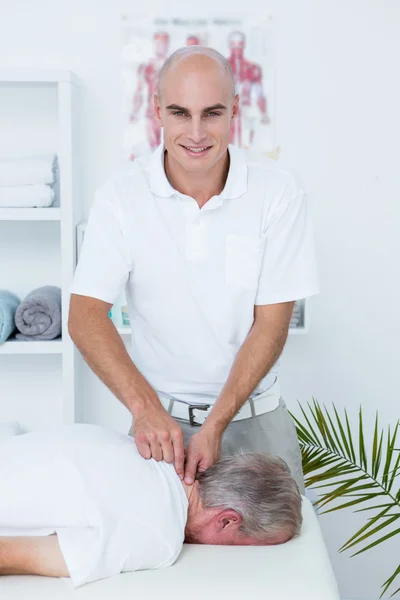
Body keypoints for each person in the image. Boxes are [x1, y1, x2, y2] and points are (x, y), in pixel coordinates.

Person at [68, 45, 319, 495]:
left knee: (279, 564)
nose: (197, 132)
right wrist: (145, 409)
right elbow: (85, 314)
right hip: (159, 432)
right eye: (181, 113)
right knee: (157, 561)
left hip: (257, 424)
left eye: (213, 113)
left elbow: (271, 325)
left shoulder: (278, 192)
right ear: (158, 111)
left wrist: (215, 423)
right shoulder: (121, 197)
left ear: (235, 112)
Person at [0, 424, 302, 587]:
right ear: (227, 521)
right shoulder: (159, 535)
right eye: (249, 546)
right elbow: (12, 554)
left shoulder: (147, 450)